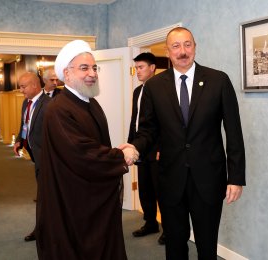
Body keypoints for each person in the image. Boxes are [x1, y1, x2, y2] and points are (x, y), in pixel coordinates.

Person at [120, 27, 246, 260]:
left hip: (208, 178)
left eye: (187, 44)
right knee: (175, 245)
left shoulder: (218, 80)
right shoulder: (155, 86)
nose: (183, 51)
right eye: (176, 46)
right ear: (168, 51)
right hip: (170, 178)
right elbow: (148, 129)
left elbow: (234, 132)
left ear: (195, 47)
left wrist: (236, 177)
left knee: (207, 245)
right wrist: (135, 147)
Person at [36, 39, 138, 260]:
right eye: (84, 68)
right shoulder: (58, 109)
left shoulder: (91, 103)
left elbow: (94, 147)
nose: (92, 73)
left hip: (94, 194)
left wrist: (115, 154)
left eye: (94, 67)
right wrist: (121, 156)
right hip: (73, 200)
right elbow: (81, 153)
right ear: (67, 73)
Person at [128, 52, 165, 245]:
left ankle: (168, 228)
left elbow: (166, 124)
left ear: (152, 68)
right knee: (145, 189)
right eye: (136, 68)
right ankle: (150, 222)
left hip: (157, 150)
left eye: (141, 67)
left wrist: (163, 147)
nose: (137, 72)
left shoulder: (162, 89)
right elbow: (135, 122)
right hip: (140, 147)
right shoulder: (137, 92)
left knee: (161, 190)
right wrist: (131, 145)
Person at [13, 71, 51, 242]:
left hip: (47, 159)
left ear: (35, 85)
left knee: (45, 196)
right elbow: (25, 124)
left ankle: (42, 230)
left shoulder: (49, 104)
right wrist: (19, 140)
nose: (21, 90)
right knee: (44, 194)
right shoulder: (25, 103)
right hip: (34, 154)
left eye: (23, 86)